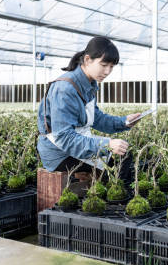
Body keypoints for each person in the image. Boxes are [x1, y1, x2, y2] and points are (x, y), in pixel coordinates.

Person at [37, 36, 142, 185]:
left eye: (111, 67)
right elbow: (64, 138)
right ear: (87, 60)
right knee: (119, 162)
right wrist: (107, 144)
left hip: (74, 145)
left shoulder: (89, 84)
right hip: (58, 152)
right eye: (104, 65)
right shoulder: (65, 89)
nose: (107, 71)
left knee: (124, 154)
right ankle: (111, 201)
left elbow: (96, 118)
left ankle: (111, 196)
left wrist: (124, 122)